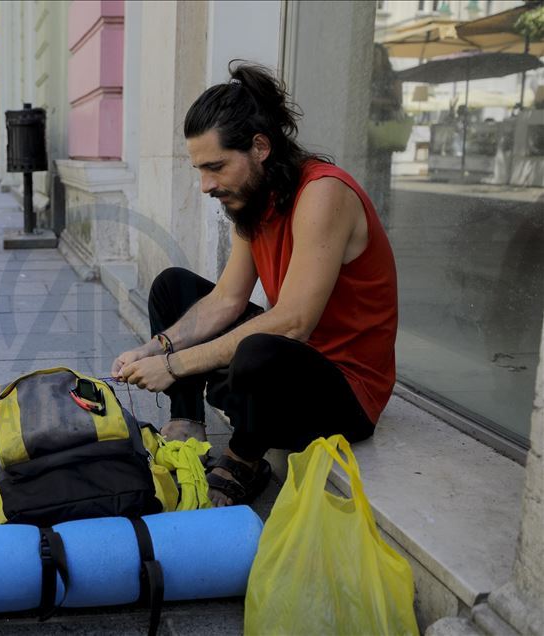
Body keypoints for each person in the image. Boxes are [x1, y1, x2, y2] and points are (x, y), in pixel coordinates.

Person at [112, 63, 398, 507]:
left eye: (216, 167)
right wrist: (157, 348)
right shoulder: (256, 198)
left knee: (260, 349)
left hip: (344, 392)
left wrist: (175, 366)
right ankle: (186, 425)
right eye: (200, 170)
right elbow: (227, 298)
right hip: (286, 372)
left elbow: (294, 324)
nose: (206, 185)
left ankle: (243, 459)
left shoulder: (323, 193)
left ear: (260, 147)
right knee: (173, 287)